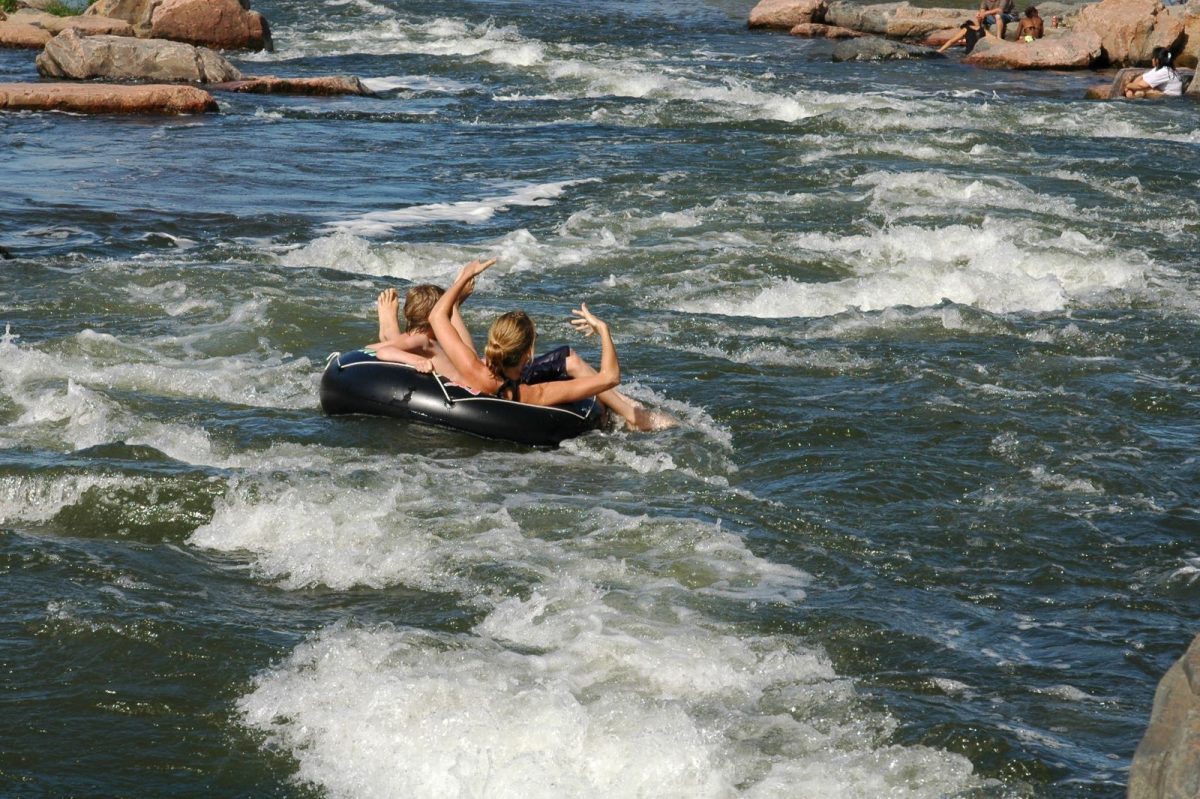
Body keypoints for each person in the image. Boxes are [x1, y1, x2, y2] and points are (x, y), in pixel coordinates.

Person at [428, 258, 674, 431]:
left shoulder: (472, 368)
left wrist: (463, 278)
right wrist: (604, 330)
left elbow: (436, 315)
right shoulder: (532, 394)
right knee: (570, 362)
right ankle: (636, 417)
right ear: (528, 354)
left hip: (487, 388)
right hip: (520, 400)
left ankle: (629, 410)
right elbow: (610, 377)